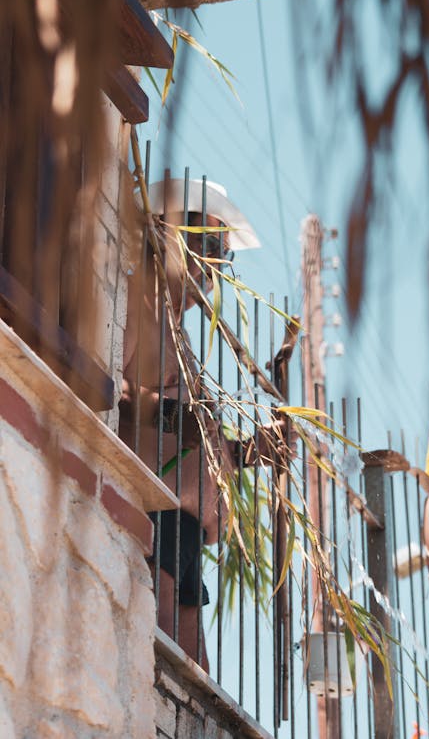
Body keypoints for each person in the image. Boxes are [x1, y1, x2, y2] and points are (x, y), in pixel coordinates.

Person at [119, 178, 288, 669]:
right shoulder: (136, 303)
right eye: (210, 247)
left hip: (187, 526)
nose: (215, 269)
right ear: (170, 235)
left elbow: (198, 438)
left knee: (194, 672)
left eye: (223, 257)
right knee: (166, 655)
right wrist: (174, 414)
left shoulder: (177, 329)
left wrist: (249, 452)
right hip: (153, 507)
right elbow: (100, 387)